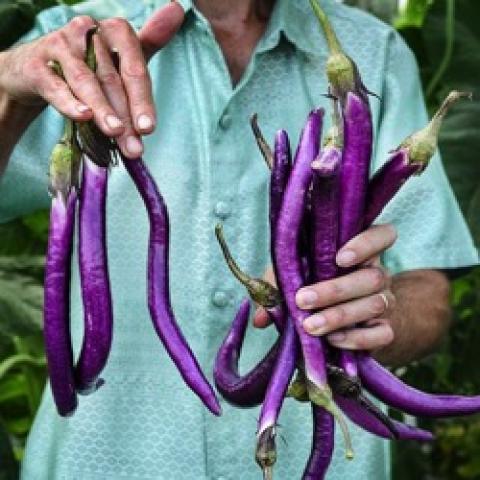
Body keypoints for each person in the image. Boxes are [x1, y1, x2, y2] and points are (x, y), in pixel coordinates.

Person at [0, 0, 477, 478]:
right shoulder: (70, 43)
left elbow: (427, 288)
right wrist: (7, 90)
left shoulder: (376, 52)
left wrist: (380, 312)